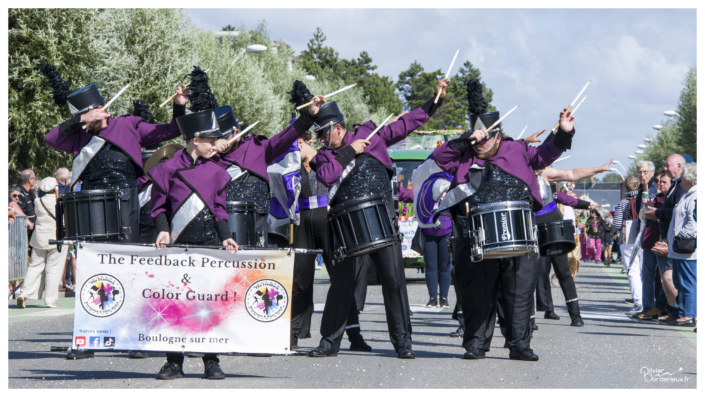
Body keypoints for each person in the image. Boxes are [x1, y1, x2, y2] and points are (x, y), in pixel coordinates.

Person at [431, 78, 575, 361]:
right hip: (474, 236)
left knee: (519, 293)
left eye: (485, 140)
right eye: (477, 140)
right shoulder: (463, 154)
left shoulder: (517, 149)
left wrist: (564, 133)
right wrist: (465, 141)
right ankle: (476, 343)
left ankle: (519, 345)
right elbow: (438, 156)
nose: (481, 146)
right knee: (475, 293)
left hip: (519, 234)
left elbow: (547, 153)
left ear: (497, 136)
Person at [308, 77, 449, 360]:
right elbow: (325, 177)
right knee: (341, 286)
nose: (321, 140)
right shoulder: (324, 157)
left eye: (324, 134)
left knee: (394, 283)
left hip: (382, 222)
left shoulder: (371, 135)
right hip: (347, 228)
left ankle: (403, 343)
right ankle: (328, 342)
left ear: (337, 128)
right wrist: (350, 151)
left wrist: (434, 101)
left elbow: (406, 124)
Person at [42, 64, 187, 245]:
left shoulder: (129, 125)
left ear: (100, 109)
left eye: (87, 115)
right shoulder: (79, 135)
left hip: (125, 201)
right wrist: (80, 119)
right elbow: (50, 139)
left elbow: (171, 131)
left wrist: (179, 106)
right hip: (91, 202)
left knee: (125, 252)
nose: (86, 123)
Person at [149, 109, 239, 380]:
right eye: (212, 141)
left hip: (209, 243)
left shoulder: (216, 171)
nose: (216, 146)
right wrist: (163, 231)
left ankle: (211, 361)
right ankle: (174, 362)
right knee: (175, 304)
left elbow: (220, 209)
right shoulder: (166, 168)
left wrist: (225, 235)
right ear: (195, 139)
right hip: (177, 245)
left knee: (207, 303)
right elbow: (159, 207)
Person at [211, 80, 324, 248]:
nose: (219, 142)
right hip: (221, 232)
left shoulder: (257, 148)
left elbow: (286, 137)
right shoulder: (209, 157)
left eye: (223, 136)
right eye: (214, 138)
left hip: (257, 227)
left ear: (236, 132)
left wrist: (309, 115)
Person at [16, 178, 63, 309]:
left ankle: (23, 294)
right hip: (56, 237)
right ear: (55, 188)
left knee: (34, 266)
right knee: (53, 269)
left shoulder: (38, 200)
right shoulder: (59, 201)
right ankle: (50, 300)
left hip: (39, 237)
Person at [634, 169, 671, 319]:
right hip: (649, 241)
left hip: (662, 243)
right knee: (647, 277)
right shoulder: (654, 196)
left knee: (666, 277)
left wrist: (656, 214)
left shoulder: (671, 199)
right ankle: (648, 307)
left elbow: (667, 217)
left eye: (663, 182)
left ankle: (664, 307)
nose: (660, 184)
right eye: (657, 182)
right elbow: (643, 214)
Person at [665, 162, 697, 327]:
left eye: (683, 175)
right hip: (680, 248)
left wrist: (679, 237)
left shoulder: (695, 195)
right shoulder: (688, 194)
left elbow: (694, 223)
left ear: (690, 178)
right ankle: (682, 312)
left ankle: (690, 314)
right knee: (680, 281)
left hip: (687, 248)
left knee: (687, 281)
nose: (680, 178)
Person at [16, 170, 36, 240]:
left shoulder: (28, 193)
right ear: (29, 180)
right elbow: (16, 210)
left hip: (29, 233)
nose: (35, 181)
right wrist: (28, 222)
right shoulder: (19, 193)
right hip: (21, 234)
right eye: (34, 179)